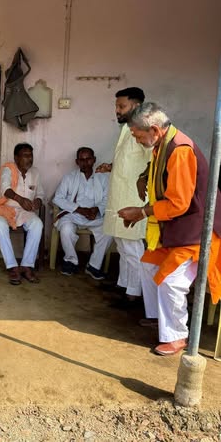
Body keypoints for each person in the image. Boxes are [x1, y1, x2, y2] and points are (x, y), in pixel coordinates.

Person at [119, 103, 221, 356]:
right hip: (178, 229)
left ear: (154, 130)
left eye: (138, 136)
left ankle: (177, 336)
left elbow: (179, 203)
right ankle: (158, 318)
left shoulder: (180, 151)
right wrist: (144, 179)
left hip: (197, 233)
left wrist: (142, 212)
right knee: (148, 265)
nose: (137, 140)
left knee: (171, 282)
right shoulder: (163, 145)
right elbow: (162, 177)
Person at [96, 87, 151, 307]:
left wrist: (144, 178)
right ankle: (124, 285)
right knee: (121, 244)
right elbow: (130, 161)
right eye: (116, 106)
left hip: (133, 198)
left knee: (132, 248)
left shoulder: (144, 129)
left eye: (122, 106)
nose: (117, 110)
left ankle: (134, 294)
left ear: (136, 106)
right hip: (119, 196)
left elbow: (152, 160)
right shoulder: (127, 128)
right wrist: (111, 166)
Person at [53, 147, 112, 279]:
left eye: (88, 159)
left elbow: (107, 199)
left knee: (108, 230)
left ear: (94, 160)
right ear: (77, 162)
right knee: (66, 229)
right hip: (74, 214)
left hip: (94, 215)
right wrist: (79, 209)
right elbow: (58, 198)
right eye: (82, 160)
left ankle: (94, 266)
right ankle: (70, 261)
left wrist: (97, 209)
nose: (85, 163)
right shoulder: (69, 177)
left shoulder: (103, 178)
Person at [0, 142, 45, 285]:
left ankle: (26, 265)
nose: (29, 159)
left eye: (30, 155)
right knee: (0, 225)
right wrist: (20, 199)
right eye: (25, 155)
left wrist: (38, 201)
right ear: (16, 158)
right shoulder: (8, 169)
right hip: (3, 208)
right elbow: (5, 189)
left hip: (24, 211)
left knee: (37, 224)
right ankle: (12, 266)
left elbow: (40, 193)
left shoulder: (35, 173)